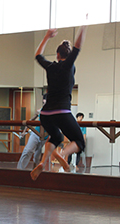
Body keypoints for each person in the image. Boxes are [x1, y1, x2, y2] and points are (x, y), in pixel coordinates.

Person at [30, 25, 87, 181]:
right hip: (62, 112)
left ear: (57, 55)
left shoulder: (50, 66)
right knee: (80, 141)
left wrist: (47, 36)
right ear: (68, 57)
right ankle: (62, 154)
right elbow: (78, 46)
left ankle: (43, 162)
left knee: (56, 137)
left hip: (45, 114)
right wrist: (84, 27)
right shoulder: (68, 66)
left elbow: (37, 55)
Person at [17, 94, 48, 170]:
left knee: (37, 154)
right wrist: (24, 131)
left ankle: (35, 168)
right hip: (35, 133)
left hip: (45, 136)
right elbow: (30, 121)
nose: (45, 105)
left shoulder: (54, 112)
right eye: (43, 103)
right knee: (28, 150)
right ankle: (20, 169)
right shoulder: (39, 111)